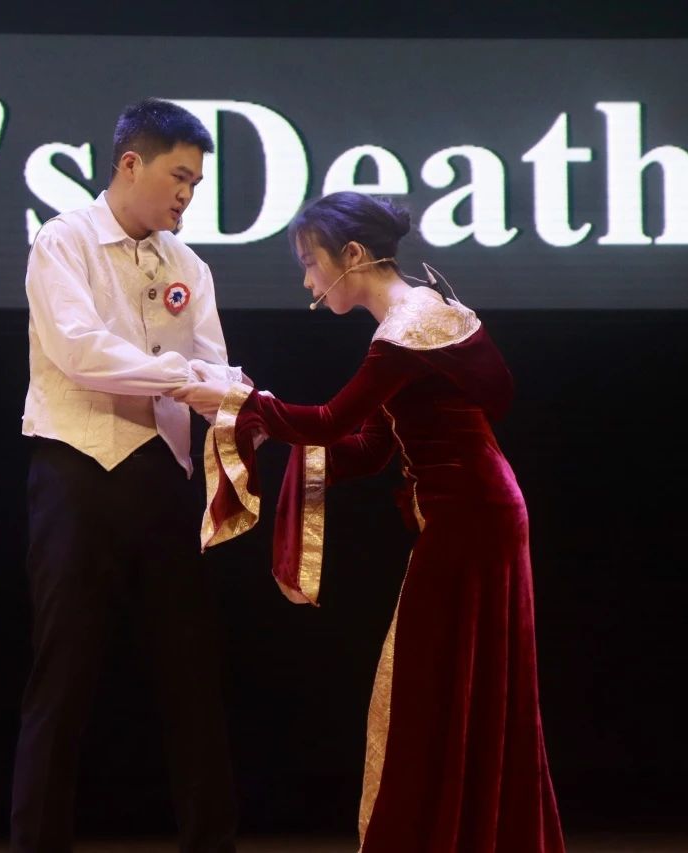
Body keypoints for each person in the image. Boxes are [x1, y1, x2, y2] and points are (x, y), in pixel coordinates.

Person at [174, 191, 566, 852]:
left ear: (351, 255)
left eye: (311, 263)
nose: (307, 281)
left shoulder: (404, 332)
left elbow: (331, 420)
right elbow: (369, 447)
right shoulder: (418, 319)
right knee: (453, 688)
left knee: (423, 687)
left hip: (470, 520)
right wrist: (270, 433)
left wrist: (240, 402)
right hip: (481, 513)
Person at [12, 98, 241, 853]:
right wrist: (185, 377)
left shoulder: (189, 265)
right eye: (179, 176)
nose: (187, 194)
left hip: (164, 479)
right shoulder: (64, 240)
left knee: (192, 677)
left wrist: (243, 398)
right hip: (77, 474)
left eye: (196, 183)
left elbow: (213, 363)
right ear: (131, 164)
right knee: (64, 675)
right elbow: (79, 351)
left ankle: (211, 845)